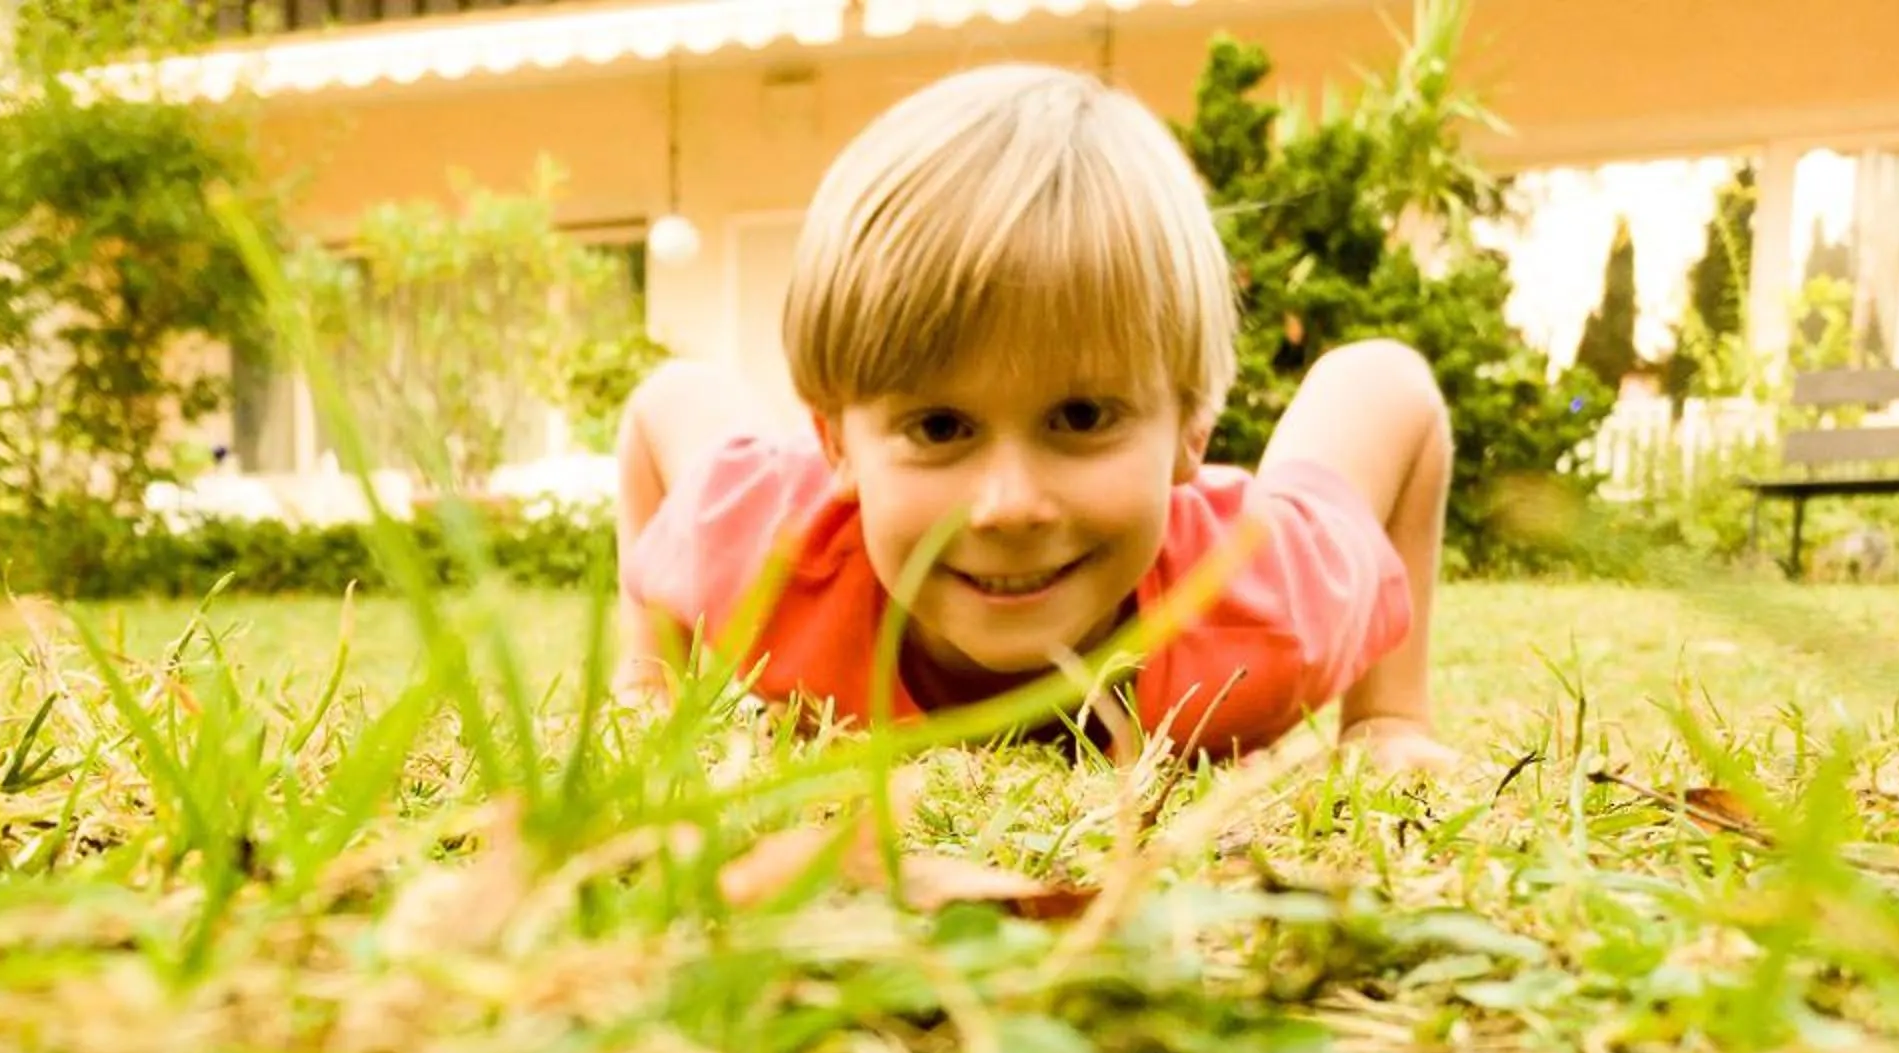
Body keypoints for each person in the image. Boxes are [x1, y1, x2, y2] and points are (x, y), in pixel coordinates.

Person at [614, 62, 1454, 768]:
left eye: (1081, 416)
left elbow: (1389, 388)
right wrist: (648, 686)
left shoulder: (1267, 613)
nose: (1009, 504)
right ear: (833, 439)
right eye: (941, 427)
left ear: (1193, 425)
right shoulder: (760, 561)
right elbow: (664, 407)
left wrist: (1390, 717)